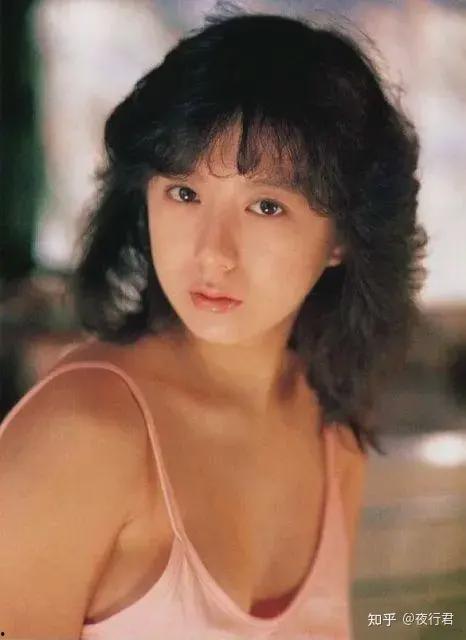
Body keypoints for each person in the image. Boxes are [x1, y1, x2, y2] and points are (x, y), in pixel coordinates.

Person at [0, 6, 428, 640]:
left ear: (343, 236)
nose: (213, 254)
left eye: (266, 206)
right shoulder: (83, 435)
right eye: (184, 193)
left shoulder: (330, 423)